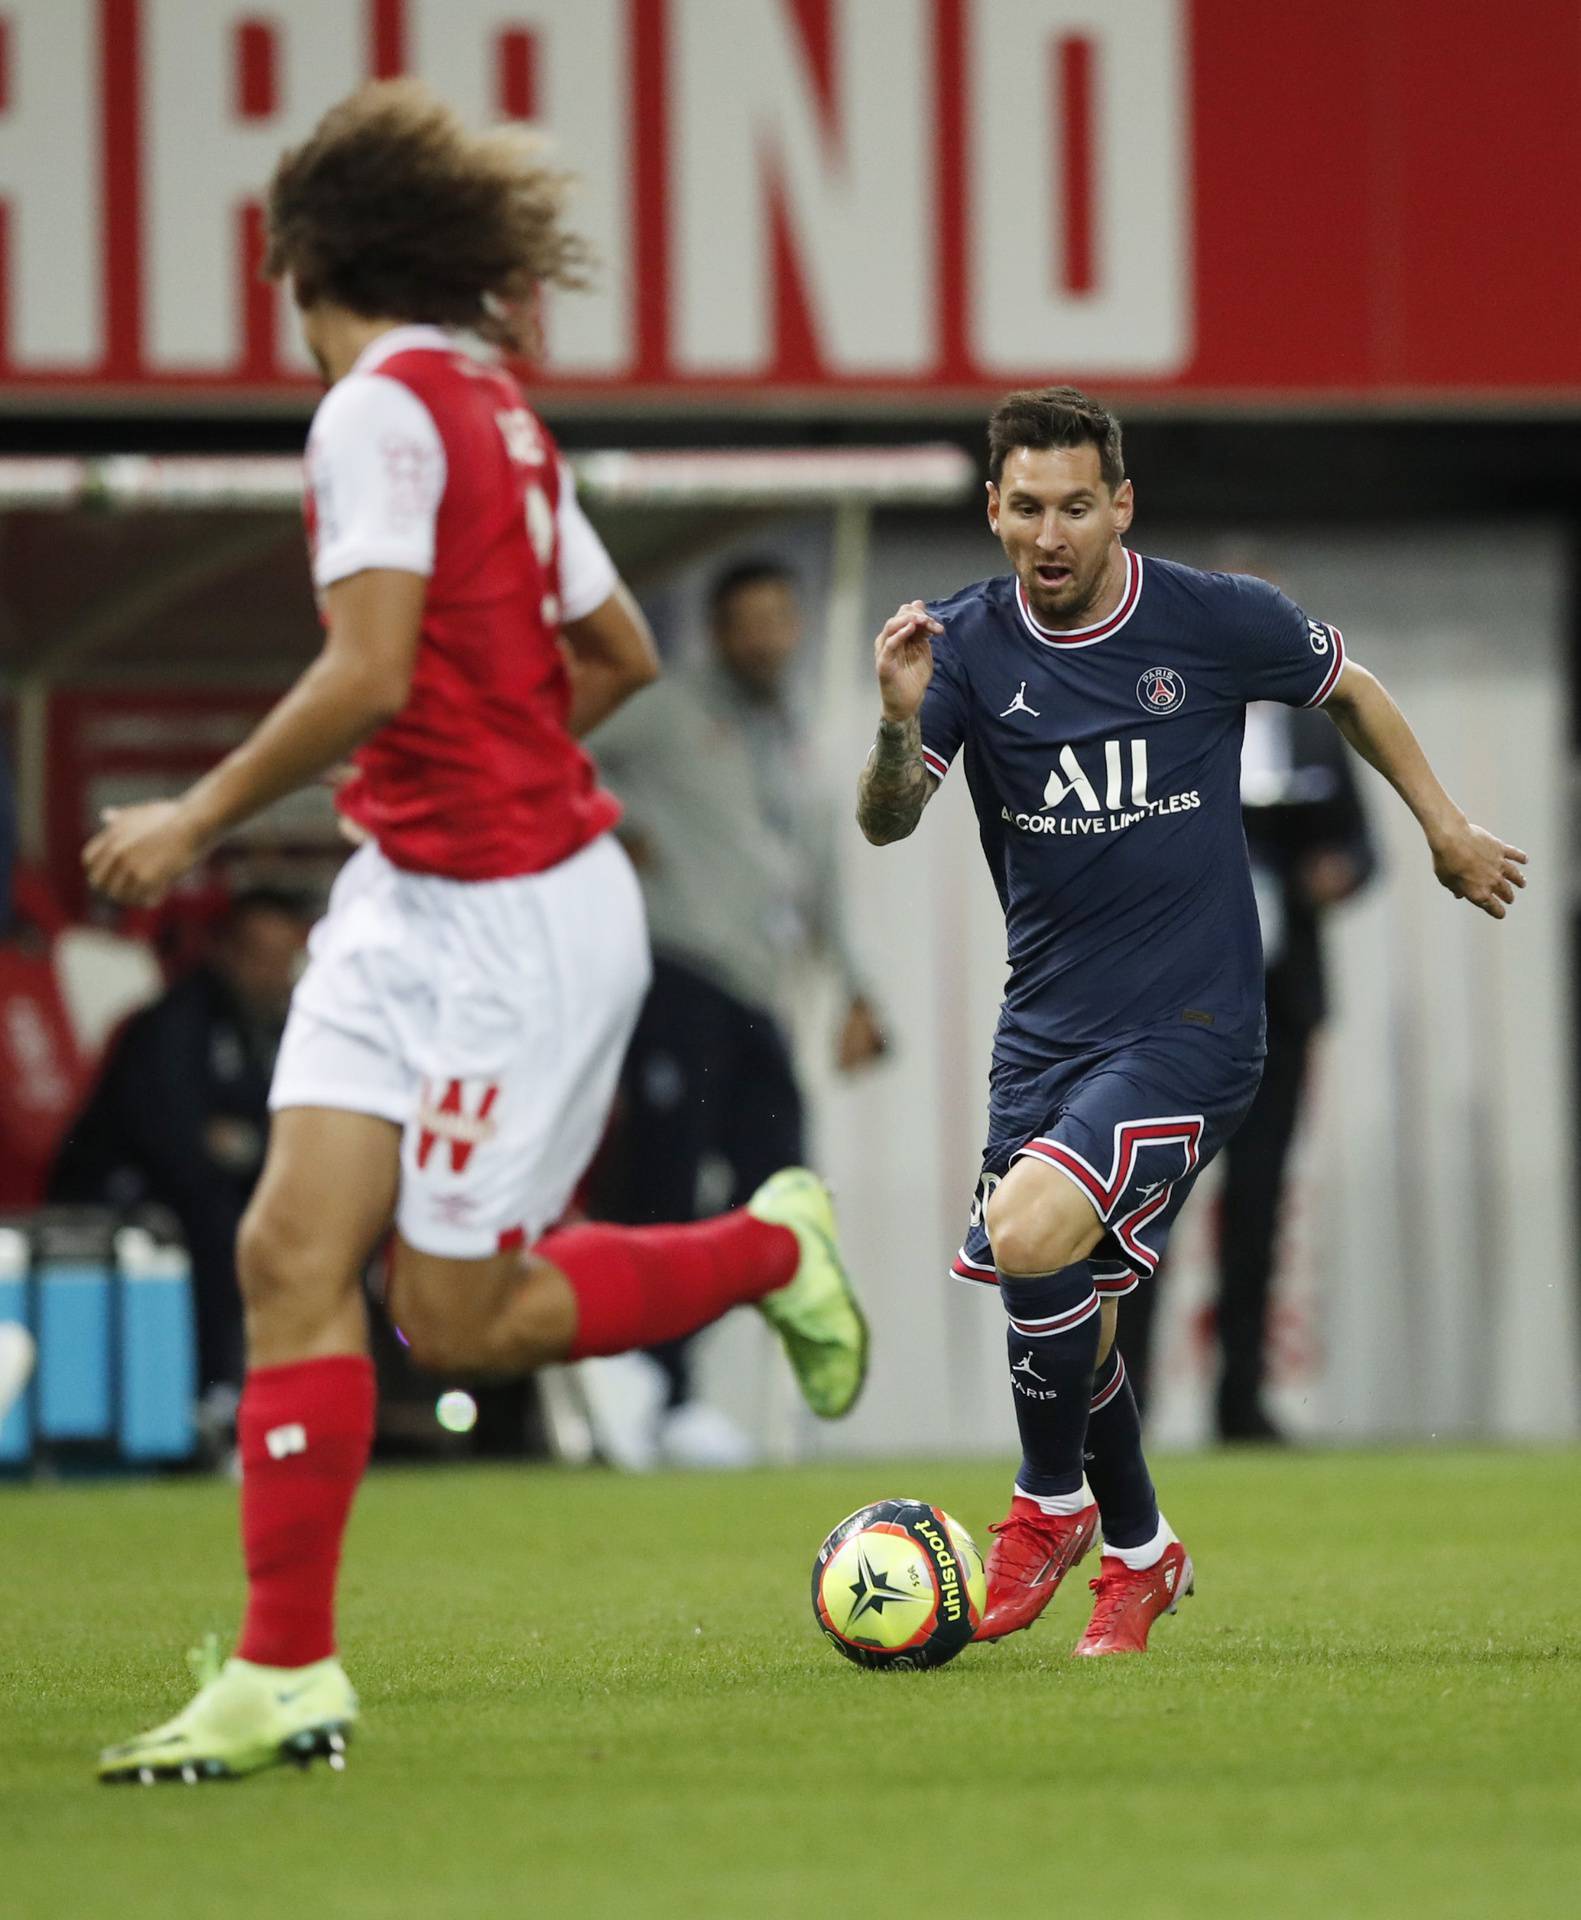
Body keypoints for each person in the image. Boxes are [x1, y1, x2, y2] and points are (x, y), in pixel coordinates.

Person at [85, 79, 866, 1785]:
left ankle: (768, 1250)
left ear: (301, 256)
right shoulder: (489, 410)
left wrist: (196, 816)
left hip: (517, 918)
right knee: (292, 1258)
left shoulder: (377, 408)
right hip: (409, 895)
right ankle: (287, 1671)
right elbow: (614, 658)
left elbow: (370, 669)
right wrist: (473, 773)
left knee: (456, 1315)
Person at [855, 386, 1525, 1657]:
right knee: (1076, 1313)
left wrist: (1443, 828)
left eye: (1075, 507)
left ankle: (1048, 1507)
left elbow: (1354, 690)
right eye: (1026, 508)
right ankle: (1144, 1553)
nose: (1049, 535)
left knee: (1031, 1227)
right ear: (993, 509)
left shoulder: (1214, 620)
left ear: (1120, 507)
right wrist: (897, 723)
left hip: (1201, 1023)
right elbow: (888, 821)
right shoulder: (961, 646)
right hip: (1044, 1037)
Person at [589, 560, 884, 1465]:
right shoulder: (667, 706)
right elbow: (562, 747)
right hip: (675, 976)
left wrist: (856, 987)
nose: (765, 637)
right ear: (717, 629)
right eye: (746, 620)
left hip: (758, 992)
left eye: (777, 618)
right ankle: (647, 1382)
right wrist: (611, 819)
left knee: (781, 1186)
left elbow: (815, 871)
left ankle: (670, 1379)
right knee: (664, 1185)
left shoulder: (795, 732)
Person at [1120, 698, 1378, 1437]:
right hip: (1178, 1010)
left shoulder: (1310, 734)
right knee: (1148, 1204)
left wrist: (1339, 871)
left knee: (1259, 1206)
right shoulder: (1165, 728)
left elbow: (1363, 849)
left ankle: (1240, 1404)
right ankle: (1124, 1402)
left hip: (1279, 1008)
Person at [48, 887, 312, 1425]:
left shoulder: (286, 1028)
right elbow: (177, 1145)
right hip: (122, 1194)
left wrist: (246, 1148)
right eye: (260, 957)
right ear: (225, 951)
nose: (272, 974)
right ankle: (211, 1396)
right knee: (219, 1226)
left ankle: (304, 1398)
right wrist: (246, 1151)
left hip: (223, 1188)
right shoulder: (176, 1022)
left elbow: (288, 1133)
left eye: (284, 961)